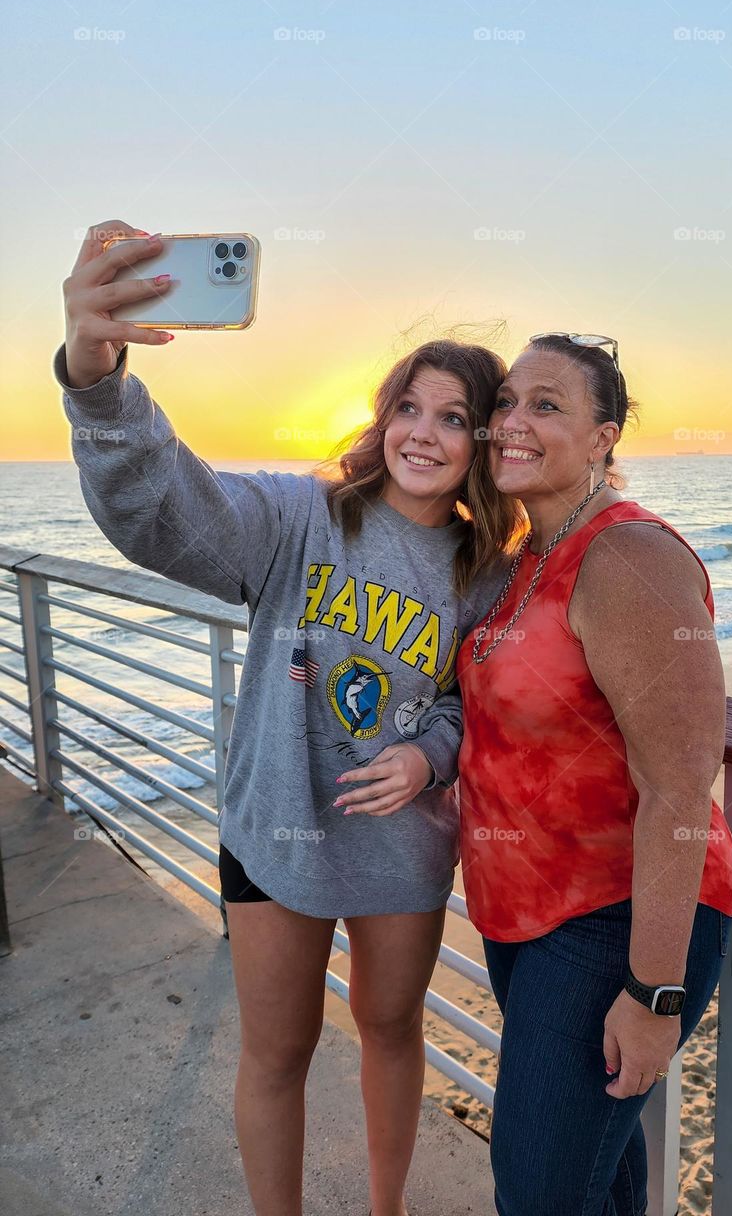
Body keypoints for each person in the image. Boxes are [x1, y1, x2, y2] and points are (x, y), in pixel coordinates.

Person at [56, 220, 518, 1216]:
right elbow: (163, 509)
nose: (424, 431)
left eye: (453, 415)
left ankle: (386, 1207)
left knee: (392, 1030)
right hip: (274, 832)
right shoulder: (303, 516)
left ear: (482, 439)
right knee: (278, 1051)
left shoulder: (484, 572)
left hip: (400, 845)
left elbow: (474, 705)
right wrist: (97, 375)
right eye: (408, 405)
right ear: (381, 415)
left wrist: (430, 759)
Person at [452, 332, 732, 1216]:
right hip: (521, 919)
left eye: (547, 405)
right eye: (506, 403)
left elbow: (683, 790)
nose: (512, 423)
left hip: (613, 924)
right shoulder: (521, 558)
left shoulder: (629, 559)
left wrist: (654, 993)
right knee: (598, 1176)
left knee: (538, 1192)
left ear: (604, 437)